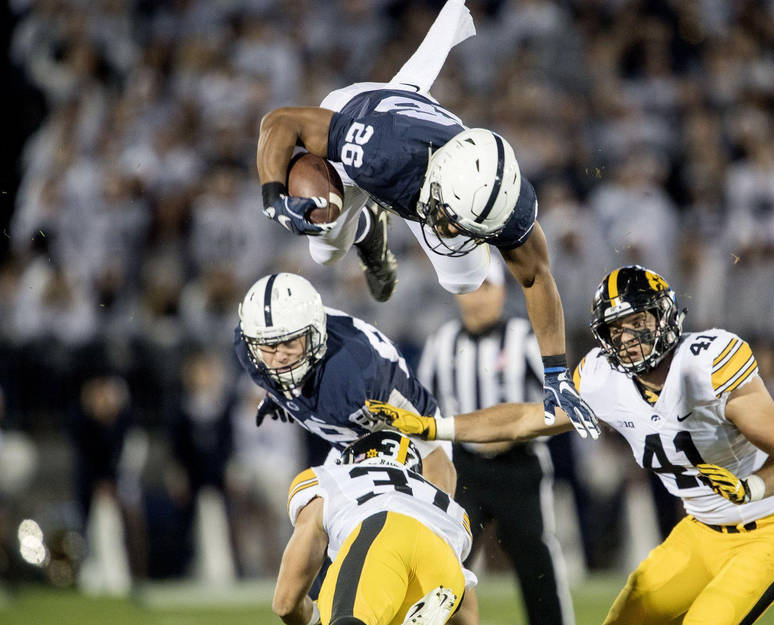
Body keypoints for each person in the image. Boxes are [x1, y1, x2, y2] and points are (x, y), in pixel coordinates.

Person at [368, 265, 774, 625]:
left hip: (771, 529)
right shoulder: (603, 379)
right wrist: (436, 427)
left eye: (639, 322)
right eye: (617, 329)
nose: (629, 338)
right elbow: (525, 419)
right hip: (701, 531)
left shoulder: (709, 365)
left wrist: (749, 488)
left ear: (666, 317)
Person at [254, 0, 598, 439]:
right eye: (452, 218)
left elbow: (536, 278)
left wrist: (556, 371)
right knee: (322, 243)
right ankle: (362, 227)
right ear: (437, 180)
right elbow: (282, 120)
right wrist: (273, 197)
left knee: (464, 280)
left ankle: (366, 224)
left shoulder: (506, 204)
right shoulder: (377, 152)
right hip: (368, 123)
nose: (451, 229)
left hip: (417, 150)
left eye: (469, 227)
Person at [416, 255, 573, 625]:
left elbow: (562, 402)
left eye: (486, 287)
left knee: (536, 562)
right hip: (464, 468)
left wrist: (517, 428)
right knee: (444, 561)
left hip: (520, 465)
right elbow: (424, 409)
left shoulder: (524, 337)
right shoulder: (442, 342)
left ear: (502, 291)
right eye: (471, 289)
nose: (478, 298)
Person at [234, 272, 455, 494]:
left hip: (404, 437)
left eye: (289, 342)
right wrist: (280, 397)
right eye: (269, 346)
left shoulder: (359, 374)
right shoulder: (249, 347)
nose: (279, 356)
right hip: (347, 442)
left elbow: (436, 460)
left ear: (315, 334)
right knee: (306, 508)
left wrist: (438, 520)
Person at [272, 430, 477, 625]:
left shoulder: (331, 478)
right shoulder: (445, 503)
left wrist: (318, 618)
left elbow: (286, 604)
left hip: (383, 533)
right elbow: (465, 609)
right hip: (447, 574)